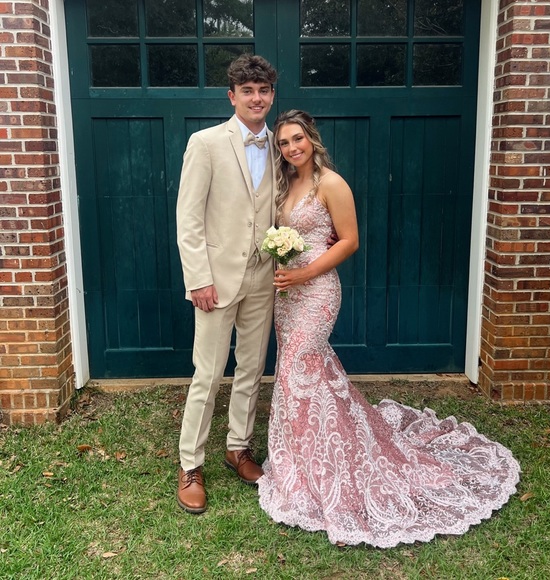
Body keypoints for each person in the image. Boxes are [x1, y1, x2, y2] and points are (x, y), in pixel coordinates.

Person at [257, 110, 521, 548]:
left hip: (317, 291)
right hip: (287, 296)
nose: (291, 148)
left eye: (297, 138)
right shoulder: (286, 184)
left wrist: (303, 273)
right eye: (283, 142)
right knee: (297, 373)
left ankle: (334, 463)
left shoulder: (331, 183)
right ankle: (301, 459)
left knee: (302, 364)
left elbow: (349, 240)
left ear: (311, 138)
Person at [175, 54, 278, 514]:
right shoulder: (206, 143)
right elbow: (189, 218)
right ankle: (190, 465)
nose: (257, 99)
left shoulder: (281, 145)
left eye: (264, 91)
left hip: (263, 277)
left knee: (252, 369)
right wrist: (198, 279)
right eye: (248, 91)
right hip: (215, 281)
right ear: (231, 96)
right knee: (209, 374)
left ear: (271, 95)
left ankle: (239, 447)